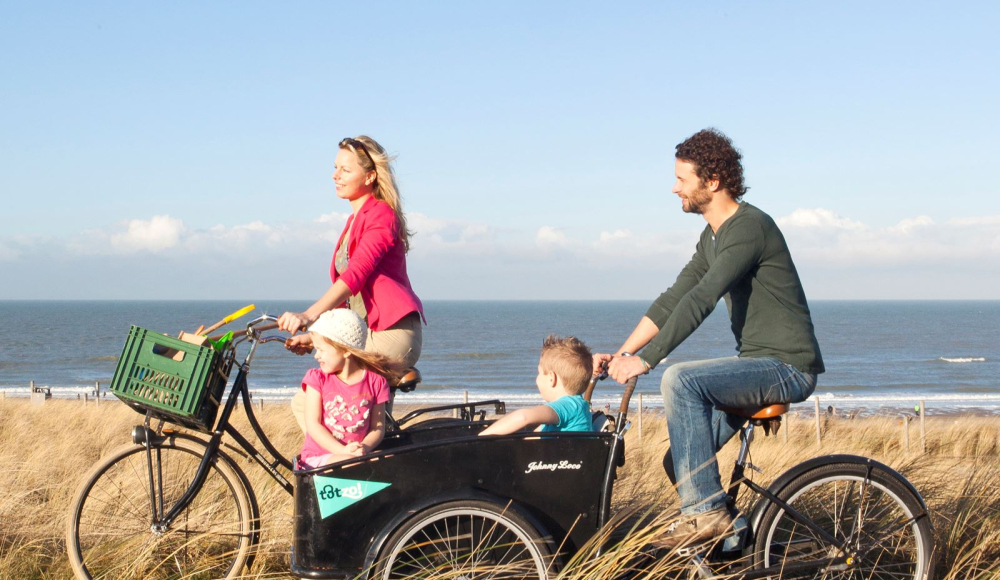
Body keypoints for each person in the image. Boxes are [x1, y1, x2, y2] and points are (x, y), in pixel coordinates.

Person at [594, 128, 824, 549]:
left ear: (712, 182)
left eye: (682, 179)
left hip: (787, 367)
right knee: (679, 462)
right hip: (755, 365)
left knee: (680, 380)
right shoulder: (712, 236)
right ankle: (737, 545)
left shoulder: (749, 227)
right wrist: (624, 353)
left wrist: (648, 362)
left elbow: (702, 298)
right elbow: (674, 298)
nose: (674, 187)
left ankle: (707, 517)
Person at [279, 136, 425, 431]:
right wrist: (316, 336)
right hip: (367, 332)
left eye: (345, 170)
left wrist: (309, 316)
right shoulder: (354, 221)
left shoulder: (381, 215)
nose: (335, 176)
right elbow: (351, 305)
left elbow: (356, 273)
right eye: (335, 168)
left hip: (391, 333)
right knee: (345, 416)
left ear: (370, 176)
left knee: (311, 402)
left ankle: (342, 470)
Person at [298, 309, 394, 468]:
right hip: (319, 458)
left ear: (346, 351)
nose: (316, 355)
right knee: (351, 464)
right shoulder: (317, 379)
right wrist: (343, 451)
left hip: (355, 455)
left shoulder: (376, 382)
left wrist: (364, 447)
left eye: (321, 350)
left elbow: (377, 428)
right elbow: (313, 425)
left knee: (390, 461)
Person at [480, 335, 594, 436]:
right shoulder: (580, 406)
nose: (537, 378)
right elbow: (535, 435)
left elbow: (523, 417)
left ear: (551, 378)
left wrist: (481, 437)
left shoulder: (567, 407)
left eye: (539, 373)